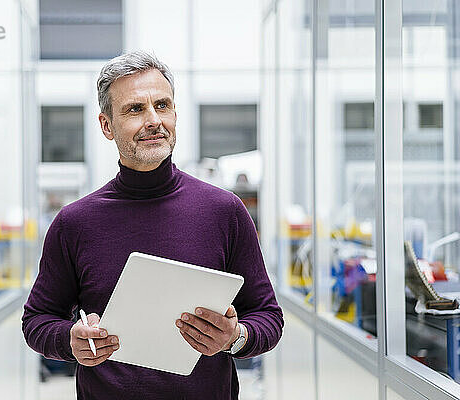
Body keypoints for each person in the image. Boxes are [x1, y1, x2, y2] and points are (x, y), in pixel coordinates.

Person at [22, 51, 283, 400]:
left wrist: (235, 337)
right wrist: (70, 341)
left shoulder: (225, 212)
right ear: (106, 125)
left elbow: (268, 316)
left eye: (162, 105)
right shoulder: (75, 223)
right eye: (135, 109)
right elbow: (38, 319)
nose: (153, 120)